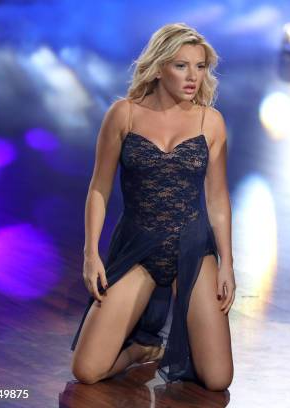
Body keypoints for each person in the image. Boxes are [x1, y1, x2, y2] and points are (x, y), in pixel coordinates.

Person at [70, 23, 234, 391]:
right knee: (87, 371)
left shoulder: (211, 122)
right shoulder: (123, 114)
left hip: (193, 248)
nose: (193, 76)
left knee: (218, 379)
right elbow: (99, 187)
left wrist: (227, 263)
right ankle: (141, 349)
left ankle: (168, 336)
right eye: (181, 66)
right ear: (159, 67)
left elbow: (218, 198)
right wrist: (90, 254)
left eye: (201, 66)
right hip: (137, 248)